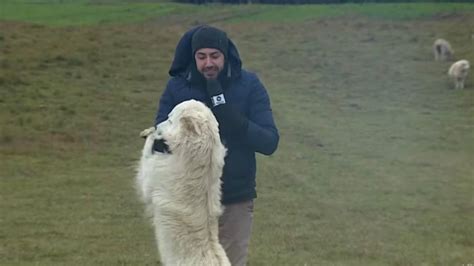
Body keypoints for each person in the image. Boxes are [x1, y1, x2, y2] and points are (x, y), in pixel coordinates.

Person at [152, 25, 279, 266]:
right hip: (189, 203)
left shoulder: (249, 85)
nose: (208, 63)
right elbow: (159, 139)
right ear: (193, 58)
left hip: (234, 198)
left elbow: (269, 141)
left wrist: (230, 118)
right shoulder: (177, 89)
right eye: (201, 57)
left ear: (226, 55)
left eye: (214, 56)